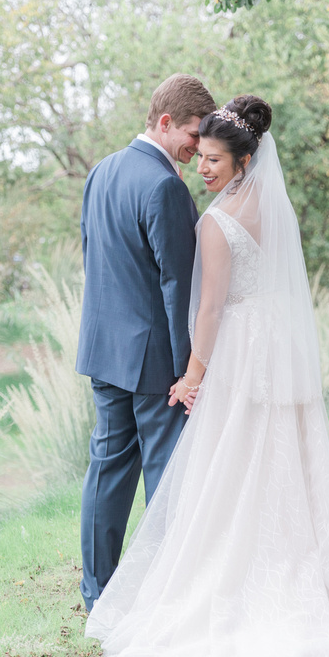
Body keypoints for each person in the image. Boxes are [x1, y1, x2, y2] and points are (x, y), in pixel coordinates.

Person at [85, 95, 329, 657]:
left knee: (229, 466)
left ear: (244, 160)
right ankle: (290, 571)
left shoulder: (213, 221)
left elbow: (208, 308)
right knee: (283, 463)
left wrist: (192, 375)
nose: (202, 168)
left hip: (236, 353)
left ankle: (231, 581)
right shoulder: (274, 207)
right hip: (277, 349)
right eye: (200, 157)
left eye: (214, 159)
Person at [76, 74, 217, 613]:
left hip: (103, 349)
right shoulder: (165, 186)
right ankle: (165, 602)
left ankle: (98, 596)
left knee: (107, 473)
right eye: (193, 134)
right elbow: (177, 284)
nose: (198, 147)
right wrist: (188, 373)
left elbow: (93, 256)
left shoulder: (101, 171)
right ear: (165, 122)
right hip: (156, 361)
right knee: (166, 478)